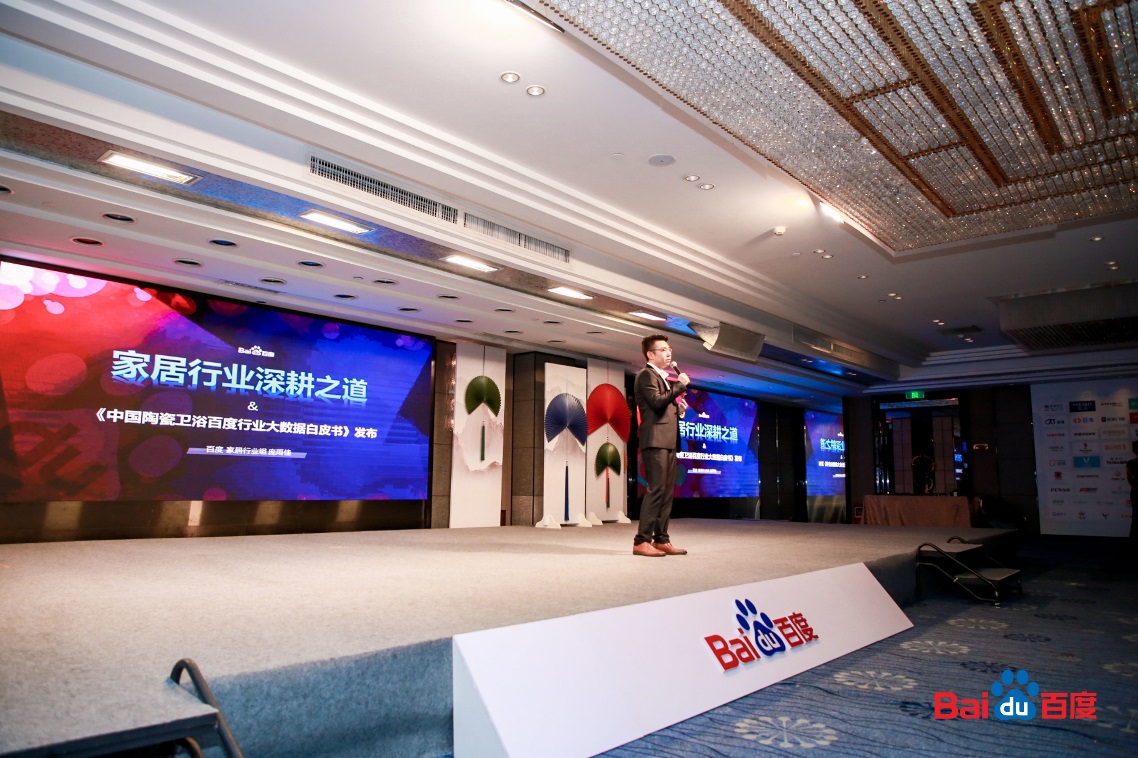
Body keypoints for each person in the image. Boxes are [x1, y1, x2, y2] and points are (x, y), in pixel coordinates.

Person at [633, 334, 690, 557]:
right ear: (650, 354)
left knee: (666, 493)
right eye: (663, 350)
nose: (668, 353)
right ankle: (641, 541)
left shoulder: (661, 377)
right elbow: (656, 402)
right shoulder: (646, 375)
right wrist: (679, 386)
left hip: (667, 441)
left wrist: (678, 410)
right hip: (655, 440)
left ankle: (661, 539)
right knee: (656, 489)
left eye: (669, 350)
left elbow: (663, 406)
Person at [1127, 440, 1138, 541]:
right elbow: (1129, 479)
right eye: (1136, 448)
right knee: (1136, 517)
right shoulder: (1131, 463)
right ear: (1134, 450)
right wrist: (1136, 487)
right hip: (1137, 493)